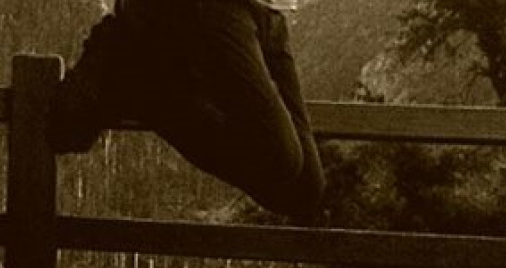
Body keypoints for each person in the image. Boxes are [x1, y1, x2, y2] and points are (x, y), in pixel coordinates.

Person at [47, 0, 326, 225]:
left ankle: (139, 72)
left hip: (271, 15)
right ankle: (135, 76)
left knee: (305, 190)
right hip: (218, 9)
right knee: (280, 157)